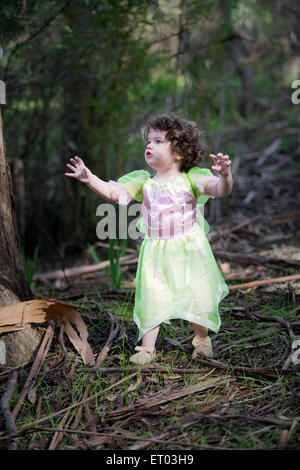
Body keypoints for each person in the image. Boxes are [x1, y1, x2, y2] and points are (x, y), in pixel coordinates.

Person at [65, 113, 232, 365]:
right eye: (148, 141)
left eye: (157, 141)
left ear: (178, 151)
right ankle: (147, 348)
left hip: (189, 247)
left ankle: (201, 340)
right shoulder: (144, 182)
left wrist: (225, 176)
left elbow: (220, 190)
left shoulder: (191, 178)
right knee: (153, 295)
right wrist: (90, 179)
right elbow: (113, 192)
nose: (149, 145)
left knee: (198, 292)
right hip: (156, 250)